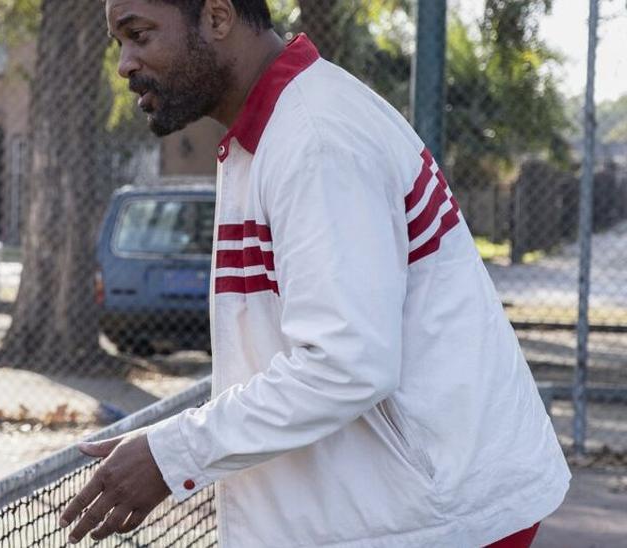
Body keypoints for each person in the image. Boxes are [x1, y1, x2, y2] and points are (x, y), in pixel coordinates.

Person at [61, 1, 570, 546]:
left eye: (139, 35)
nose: (125, 64)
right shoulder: (275, 131)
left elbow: (345, 362)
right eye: (120, 44)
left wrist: (172, 454)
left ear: (216, 17)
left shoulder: (316, 137)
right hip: (404, 511)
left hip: (439, 520)